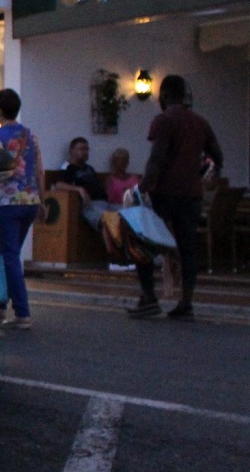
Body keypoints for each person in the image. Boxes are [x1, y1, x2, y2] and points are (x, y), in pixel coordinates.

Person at [128, 74, 223, 321]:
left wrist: (143, 188)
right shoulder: (200, 122)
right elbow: (217, 155)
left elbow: (157, 158)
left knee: (143, 243)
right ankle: (186, 302)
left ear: (165, 95)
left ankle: (149, 297)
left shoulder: (164, 120)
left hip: (164, 192)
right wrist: (207, 173)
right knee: (188, 247)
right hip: (191, 194)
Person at [0, 88, 45, 330]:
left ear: (0, 110)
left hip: (7, 202)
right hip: (30, 202)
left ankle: (22, 312)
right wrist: (42, 199)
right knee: (11, 255)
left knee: (9, 257)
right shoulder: (30, 136)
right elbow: (39, 169)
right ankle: (3, 307)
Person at [51, 136, 109, 228]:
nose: (85, 152)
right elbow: (58, 185)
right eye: (81, 149)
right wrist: (80, 189)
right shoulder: (67, 167)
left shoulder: (89, 168)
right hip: (90, 205)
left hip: (106, 203)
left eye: (86, 149)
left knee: (128, 214)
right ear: (72, 151)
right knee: (107, 220)